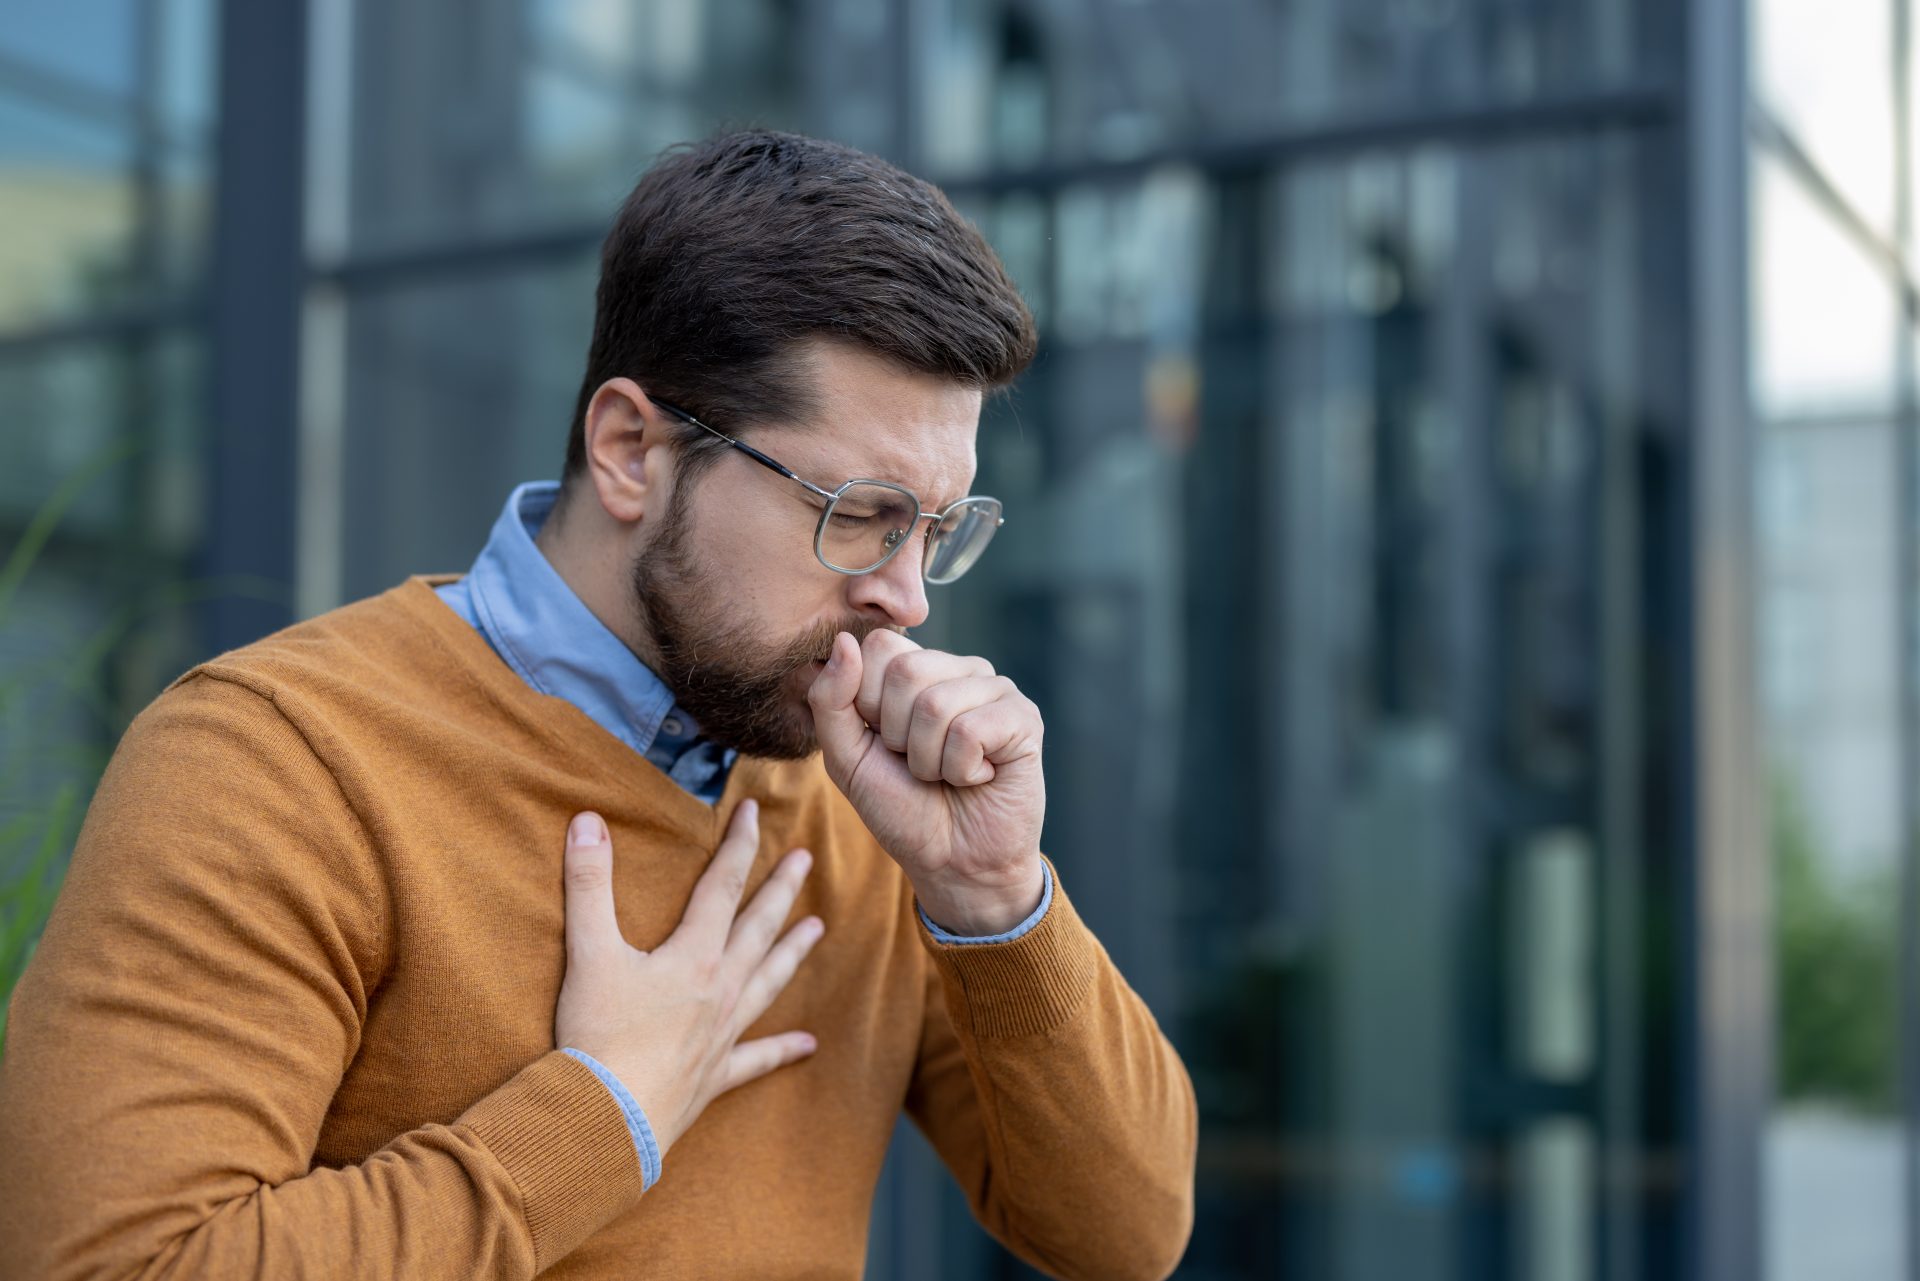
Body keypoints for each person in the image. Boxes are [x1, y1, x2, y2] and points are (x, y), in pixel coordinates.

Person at [0, 129, 1196, 1280]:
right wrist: (599, 1114)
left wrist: (993, 899)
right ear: (631, 448)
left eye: (936, 531)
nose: (906, 599)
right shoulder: (277, 764)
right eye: (862, 515)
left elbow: (1122, 1236)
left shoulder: (867, 793)